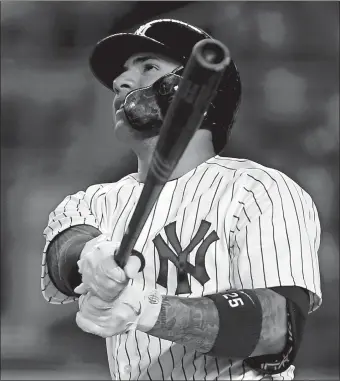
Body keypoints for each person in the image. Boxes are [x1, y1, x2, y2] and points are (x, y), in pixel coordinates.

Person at [41, 19, 322, 380]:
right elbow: (64, 249)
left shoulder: (259, 189)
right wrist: (90, 255)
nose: (120, 83)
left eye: (148, 67)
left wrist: (150, 309)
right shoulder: (94, 201)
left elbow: (275, 330)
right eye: (121, 76)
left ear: (197, 91)